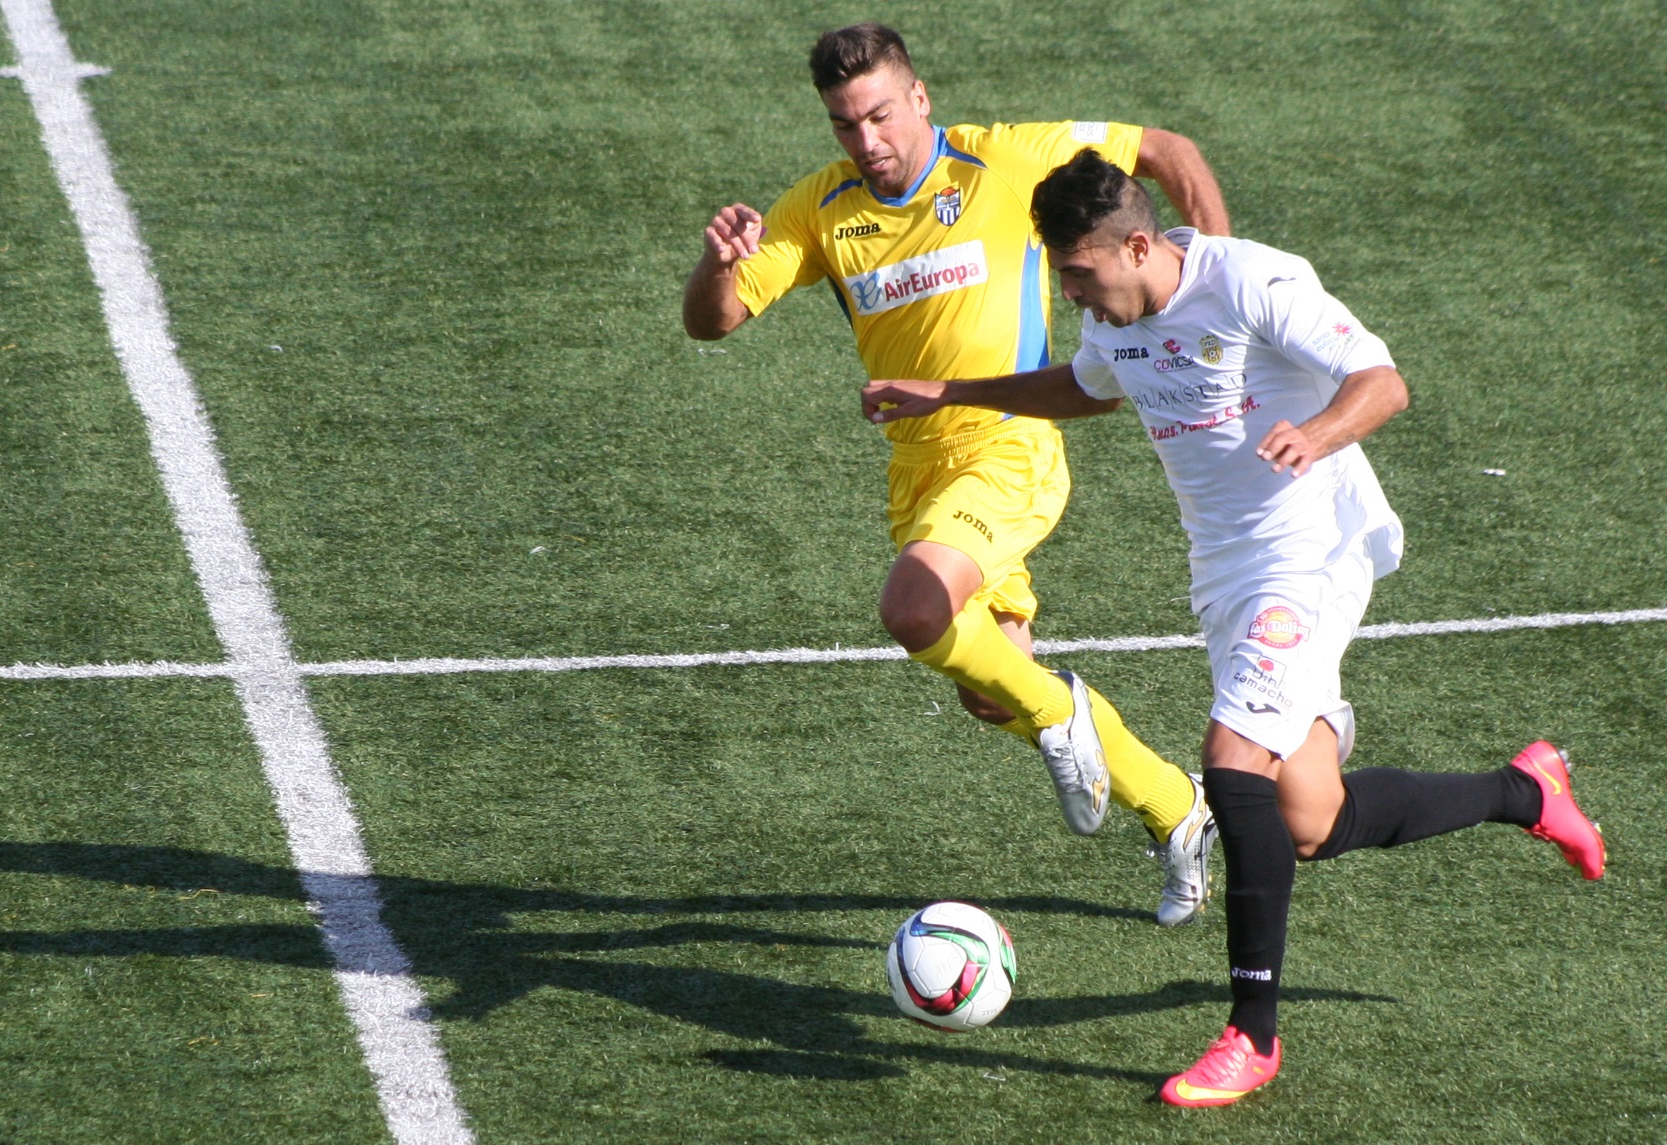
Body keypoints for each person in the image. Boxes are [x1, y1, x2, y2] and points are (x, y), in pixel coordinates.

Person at [860, 149, 1607, 1106]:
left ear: (1138, 246)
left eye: (1079, 272)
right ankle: (1525, 790)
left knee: (1230, 761)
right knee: (1309, 820)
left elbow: (1382, 382)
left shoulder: (1252, 280)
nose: (1071, 292)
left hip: (1310, 549)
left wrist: (1317, 433)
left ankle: (1251, 1035)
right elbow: (1089, 386)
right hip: (1224, 572)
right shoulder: (1110, 315)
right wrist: (954, 392)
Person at [683, 23, 1231, 925]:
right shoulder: (820, 208)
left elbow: (1166, 151)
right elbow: (715, 319)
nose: (866, 141)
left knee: (913, 609)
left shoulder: (1000, 160)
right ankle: (1177, 808)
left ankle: (1061, 720)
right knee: (989, 688)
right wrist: (719, 263)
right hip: (917, 470)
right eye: (844, 124)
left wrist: (1209, 286)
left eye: (879, 116)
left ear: (920, 98)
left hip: (1008, 445)